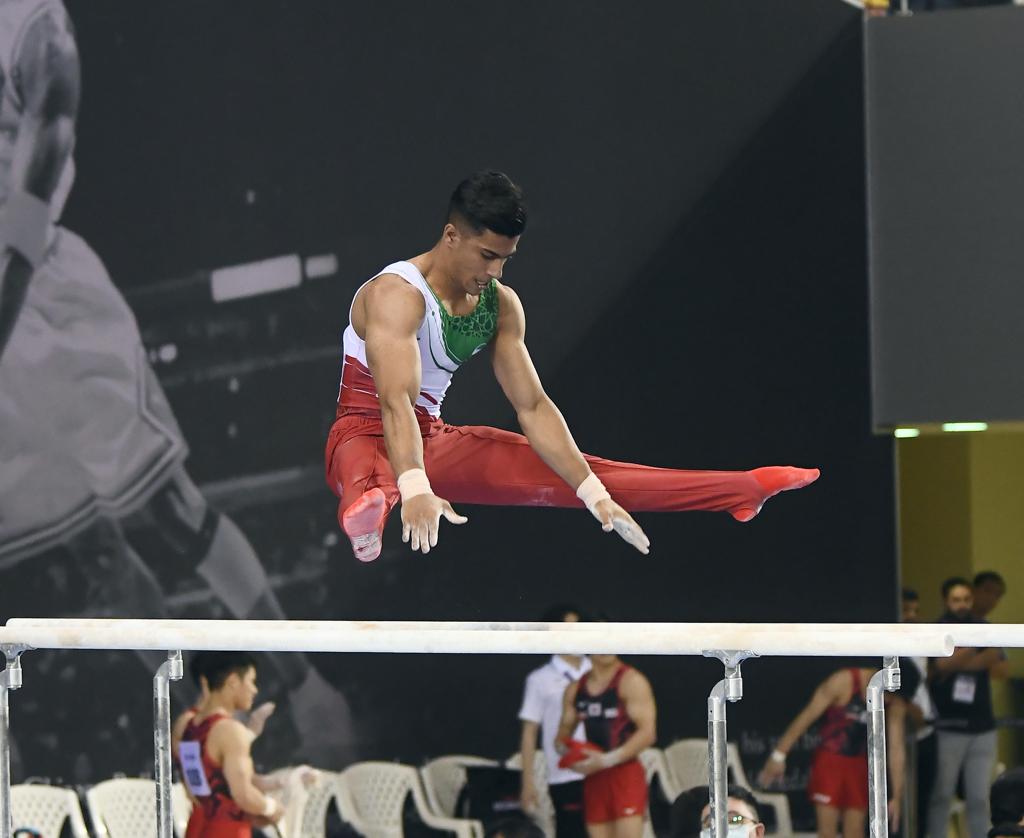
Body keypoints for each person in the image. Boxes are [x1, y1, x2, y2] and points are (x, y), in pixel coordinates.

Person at [0, 0, 353, 765]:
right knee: (94, 557)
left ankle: (305, 687)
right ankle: (198, 725)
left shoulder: (34, 25)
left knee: (169, 512)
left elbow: (43, 161)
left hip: (44, 305)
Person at [324, 170, 820, 562]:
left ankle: (740, 491)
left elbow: (533, 406)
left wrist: (593, 493)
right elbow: (393, 403)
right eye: (488, 256)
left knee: (590, 475)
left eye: (506, 260)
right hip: (367, 431)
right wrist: (415, 488)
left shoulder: (501, 306)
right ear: (451, 236)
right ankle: (370, 506)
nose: (495, 272)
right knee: (367, 469)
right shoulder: (396, 295)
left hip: (432, 440)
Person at [758, 665, 907, 838]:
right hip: (830, 762)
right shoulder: (843, 681)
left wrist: (896, 795)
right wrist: (779, 755)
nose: (887, 698)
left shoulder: (896, 701)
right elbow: (807, 716)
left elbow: (896, 749)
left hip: (859, 765)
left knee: (855, 832)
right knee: (827, 832)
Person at [927, 577, 1009, 838]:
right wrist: (972, 655)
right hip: (949, 727)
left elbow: (997, 661)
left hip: (983, 727)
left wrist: (956, 660)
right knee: (942, 794)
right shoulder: (937, 629)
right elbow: (936, 667)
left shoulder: (983, 626)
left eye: (966, 599)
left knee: (979, 797)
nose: (961, 605)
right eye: (956, 600)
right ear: (945, 601)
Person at [180, 652, 284, 838]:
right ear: (233, 681)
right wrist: (271, 807)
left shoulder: (186, 725)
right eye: (251, 681)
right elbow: (243, 794)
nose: (255, 690)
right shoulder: (229, 730)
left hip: (197, 826)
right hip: (229, 831)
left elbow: (202, 784)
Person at [556, 651, 657, 838]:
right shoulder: (576, 689)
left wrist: (608, 759)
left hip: (625, 774)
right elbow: (561, 739)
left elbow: (648, 733)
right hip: (594, 777)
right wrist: (571, 757)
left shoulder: (631, 682)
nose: (606, 650)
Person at [518, 604, 592, 838]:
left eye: (578, 628)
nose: (575, 634)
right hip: (566, 774)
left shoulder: (599, 670)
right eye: (568, 629)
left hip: (603, 769)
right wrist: (527, 782)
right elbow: (529, 733)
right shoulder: (540, 680)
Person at [903, 588, 938, 838]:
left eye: (916, 611)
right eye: (906, 611)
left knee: (923, 801)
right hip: (898, 729)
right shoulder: (884, 646)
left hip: (926, 730)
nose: (912, 616)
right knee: (900, 801)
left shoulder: (923, 643)